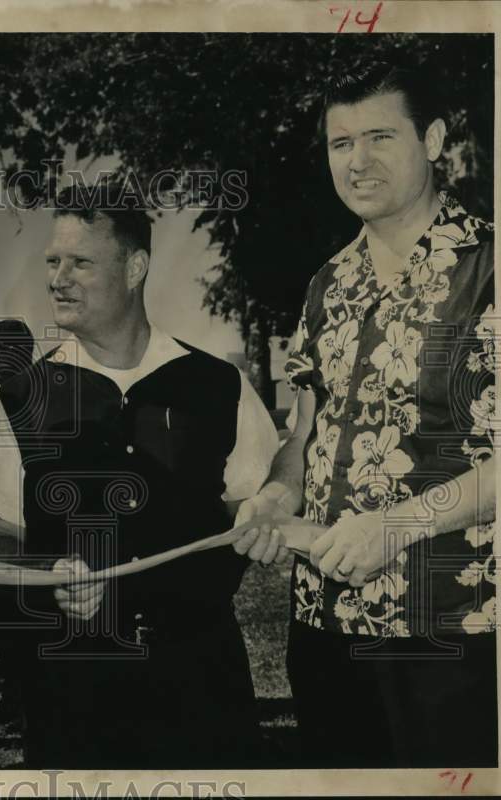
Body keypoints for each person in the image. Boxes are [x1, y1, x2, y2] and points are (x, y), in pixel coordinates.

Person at [233, 61, 497, 767]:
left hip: (455, 627)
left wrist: (397, 525)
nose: (358, 161)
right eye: (340, 143)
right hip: (324, 627)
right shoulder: (328, 283)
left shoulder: (490, 268)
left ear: (434, 139)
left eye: (381, 136)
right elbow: (304, 434)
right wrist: (277, 493)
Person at [0, 183, 280, 768]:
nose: (59, 278)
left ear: (135, 267)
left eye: (81, 262)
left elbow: (258, 502)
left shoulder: (217, 385)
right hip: (74, 701)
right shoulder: (16, 400)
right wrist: (45, 569)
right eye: (53, 262)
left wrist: (261, 521)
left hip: (204, 691)